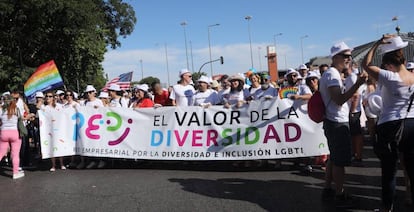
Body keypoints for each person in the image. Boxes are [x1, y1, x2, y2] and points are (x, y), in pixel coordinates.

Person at [362, 35, 414, 211]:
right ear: (403, 58)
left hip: (390, 124)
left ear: (387, 61)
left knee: (389, 171)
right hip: (411, 123)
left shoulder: (390, 77)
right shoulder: (413, 76)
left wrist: (376, 43)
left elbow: (366, 64)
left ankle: (387, 208)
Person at [319, 41, 367, 207]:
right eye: (345, 56)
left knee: (334, 157)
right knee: (339, 161)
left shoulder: (333, 74)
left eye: (350, 56)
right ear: (336, 57)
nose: (349, 59)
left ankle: (328, 189)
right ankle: (339, 194)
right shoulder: (332, 74)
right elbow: (339, 99)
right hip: (337, 122)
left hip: (334, 121)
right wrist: (358, 84)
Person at [0, 95, 25, 179]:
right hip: (15, 133)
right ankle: (15, 173)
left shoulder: (1, 109)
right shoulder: (16, 109)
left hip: (3, 133)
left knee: (1, 152)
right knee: (15, 154)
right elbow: (20, 119)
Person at [344, 66, 365, 164]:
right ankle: (355, 154)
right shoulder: (349, 78)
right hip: (352, 110)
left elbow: (356, 95)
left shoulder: (352, 77)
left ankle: (358, 156)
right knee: (353, 134)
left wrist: (352, 110)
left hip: (354, 110)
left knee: (356, 134)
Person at [42, 91, 65, 172]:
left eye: (50, 96)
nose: (48, 98)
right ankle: (53, 165)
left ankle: (62, 163)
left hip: (58, 128)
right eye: (47, 96)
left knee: (59, 145)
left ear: (53, 97)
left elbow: (64, 114)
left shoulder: (59, 106)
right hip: (49, 129)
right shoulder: (45, 108)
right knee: (52, 146)